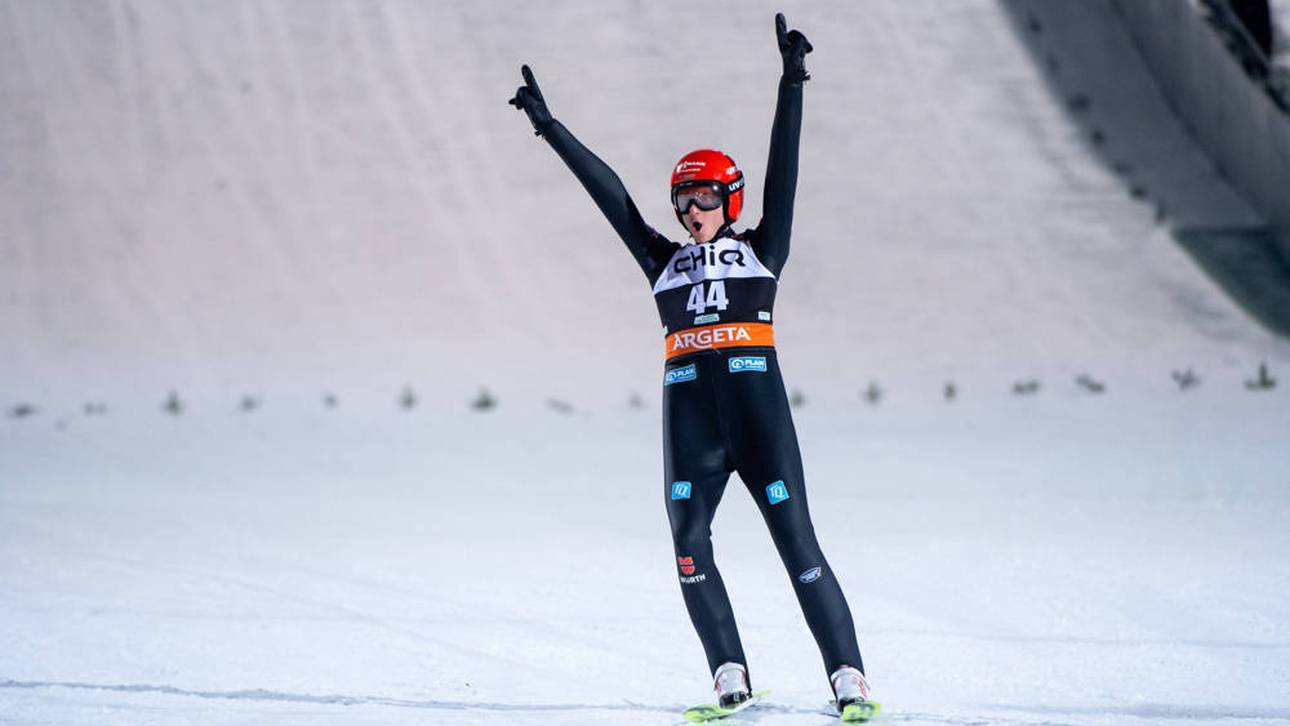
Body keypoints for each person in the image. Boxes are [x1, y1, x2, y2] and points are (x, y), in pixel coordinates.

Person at [510, 12, 874, 720]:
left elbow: (786, 168)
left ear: (728, 199)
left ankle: (848, 679)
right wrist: (549, 129)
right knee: (687, 546)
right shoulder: (663, 264)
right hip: (693, 426)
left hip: (758, 418)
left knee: (798, 545)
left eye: (704, 195)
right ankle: (729, 676)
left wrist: (792, 78)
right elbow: (610, 197)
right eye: (681, 197)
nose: (689, 208)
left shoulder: (762, 249)